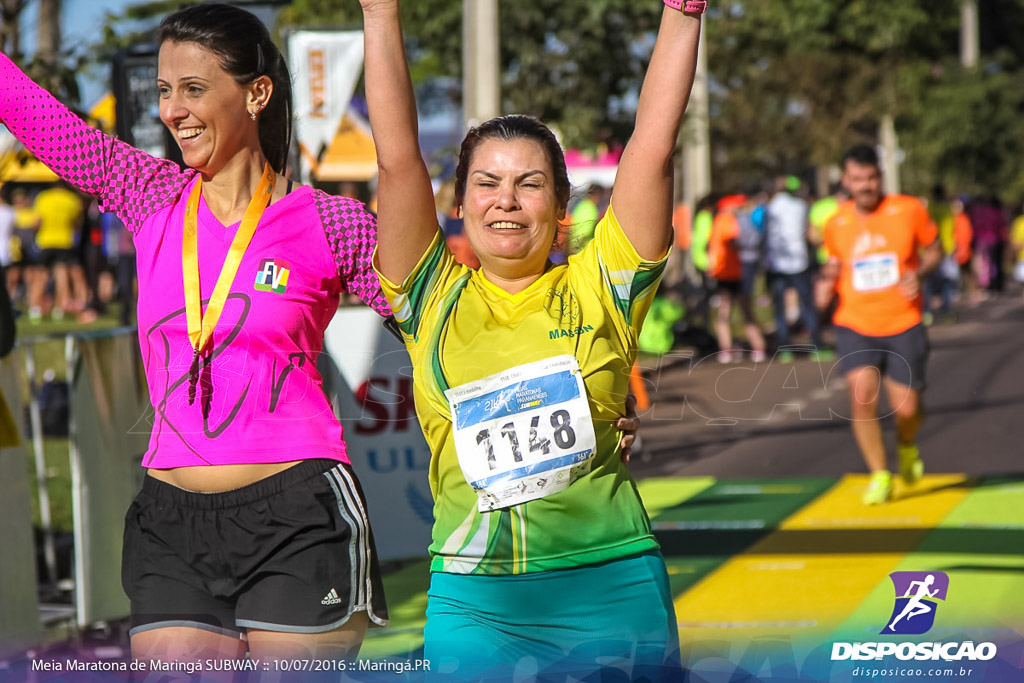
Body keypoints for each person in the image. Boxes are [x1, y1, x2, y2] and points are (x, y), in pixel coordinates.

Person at [1, 3, 392, 662]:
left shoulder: (331, 222)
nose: (170, 110)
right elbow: (42, 121)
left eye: (192, 89)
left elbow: (442, 319)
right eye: (163, 90)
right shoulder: (150, 195)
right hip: (170, 520)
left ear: (257, 93)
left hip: (297, 512)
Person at [358, 0, 704, 678]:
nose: (506, 200)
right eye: (486, 183)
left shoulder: (602, 284)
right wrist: (379, 13)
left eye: (530, 184)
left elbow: (654, 142)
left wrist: (683, 13)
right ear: (458, 203)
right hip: (475, 598)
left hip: (610, 584)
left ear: (563, 205)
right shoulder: (430, 295)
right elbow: (398, 161)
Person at [816, 145, 941, 505]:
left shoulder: (908, 209)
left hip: (904, 321)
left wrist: (920, 272)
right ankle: (879, 474)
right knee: (861, 398)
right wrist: (825, 283)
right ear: (846, 180)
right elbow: (835, 263)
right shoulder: (835, 222)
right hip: (855, 322)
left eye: (871, 178)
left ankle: (906, 445)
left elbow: (934, 249)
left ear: (880, 176)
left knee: (907, 410)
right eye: (858, 179)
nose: (865, 186)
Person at [763, 175, 827, 360]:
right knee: (807, 305)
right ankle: (817, 346)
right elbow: (809, 231)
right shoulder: (801, 206)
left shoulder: (769, 208)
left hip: (776, 265)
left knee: (779, 309)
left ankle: (784, 349)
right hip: (799, 262)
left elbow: (763, 232)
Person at [709, 193, 767, 363]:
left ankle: (744, 348)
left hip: (730, 272)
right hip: (729, 273)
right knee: (736, 311)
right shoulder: (727, 219)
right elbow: (731, 241)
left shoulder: (723, 219)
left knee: (733, 311)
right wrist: (747, 246)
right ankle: (752, 348)